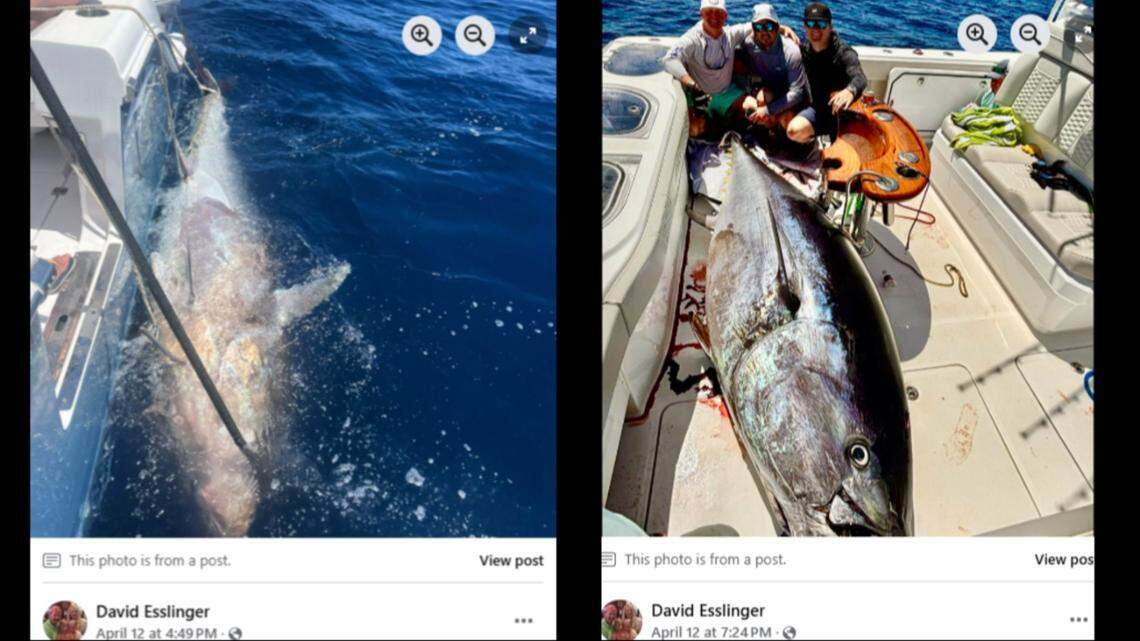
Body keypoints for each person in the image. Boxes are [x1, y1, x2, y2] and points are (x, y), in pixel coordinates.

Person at [662, 0, 754, 137]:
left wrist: (782, 28)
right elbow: (669, 59)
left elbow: (756, 25)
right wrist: (693, 85)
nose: (714, 17)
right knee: (695, 130)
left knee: (755, 109)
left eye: (719, 13)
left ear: (725, 16)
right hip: (701, 98)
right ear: (701, 14)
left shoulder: (731, 34)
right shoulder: (692, 38)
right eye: (709, 12)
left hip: (726, 92)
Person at [738, 4, 814, 144]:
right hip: (770, 94)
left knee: (788, 122)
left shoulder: (791, 51)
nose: (764, 32)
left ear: (777, 27)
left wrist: (767, 111)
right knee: (748, 103)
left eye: (769, 27)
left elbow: (797, 93)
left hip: (792, 100)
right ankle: (772, 132)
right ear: (753, 29)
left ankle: (788, 140)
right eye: (759, 27)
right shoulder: (748, 43)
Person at [798, 2, 868, 138]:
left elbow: (860, 78)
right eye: (811, 24)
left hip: (841, 113)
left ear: (830, 26)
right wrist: (782, 29)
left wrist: (850, 91)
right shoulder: (803, 50)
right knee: (793, 130)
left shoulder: (843, 52)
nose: (815, 29)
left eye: (821, 24)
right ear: (804, 27)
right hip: (817, 111)